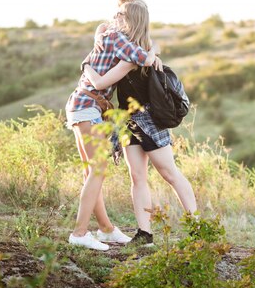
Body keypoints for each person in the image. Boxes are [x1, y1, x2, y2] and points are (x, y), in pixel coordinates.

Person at [65, 0, 161, 250]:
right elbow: (146, 59)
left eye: (121, 15)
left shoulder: (107, 36)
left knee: (91, 172)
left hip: (81, 104)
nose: (116, 18)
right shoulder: (118, 39)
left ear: (131, 20)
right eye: (116, 14)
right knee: (97, 171)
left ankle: (106, 229)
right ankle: (79, 233)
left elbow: (90, 60)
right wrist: (154, 50)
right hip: (89, 107)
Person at [82, 51, 197, 246]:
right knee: (137, 176)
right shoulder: (126, 51)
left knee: (169, 173)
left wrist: (85, 65)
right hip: (128, 119)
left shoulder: (134, 55)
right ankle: (145, 235)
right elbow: (104, 33)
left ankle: (197, 228)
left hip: (149, 119)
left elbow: (100, 82)